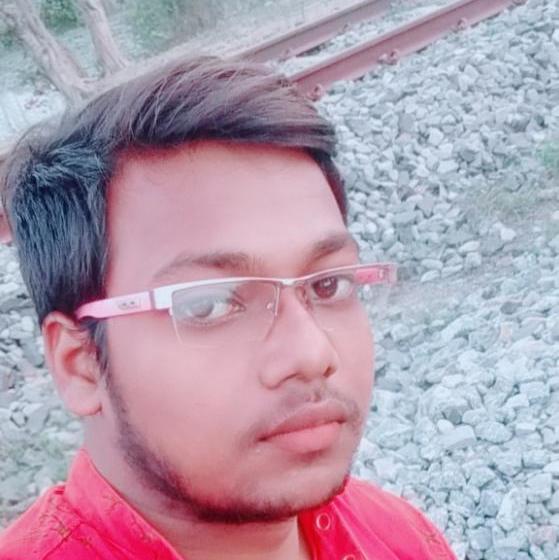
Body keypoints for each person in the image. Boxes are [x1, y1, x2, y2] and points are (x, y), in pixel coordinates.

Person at [0, 57, 456, 560]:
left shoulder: (397, 536)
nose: (312, 354)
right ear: (80, 364)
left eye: (328, 285)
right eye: (210, 305)